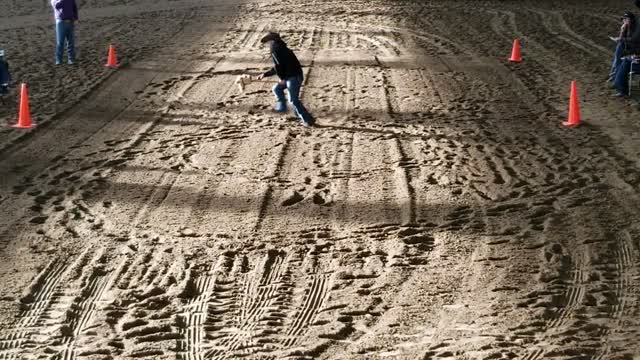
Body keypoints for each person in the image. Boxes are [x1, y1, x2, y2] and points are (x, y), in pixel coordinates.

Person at [257, 32, 314, 126]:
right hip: (293, 76)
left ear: (271, 41)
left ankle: (308, 120)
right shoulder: (281, 47)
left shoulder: (275, 49)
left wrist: (282, 78)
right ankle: (282, 108)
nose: (267, 45)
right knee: (277, 88)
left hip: (293, 77)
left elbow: (278, 66)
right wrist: (265, 74)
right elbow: (278, 66)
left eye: (267, 42)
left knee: (293, 100)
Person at [608, 11, 640, 82]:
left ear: (631, 19)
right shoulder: (627, 27)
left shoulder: (636, 28)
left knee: (619, 51)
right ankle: (614, 74)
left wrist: (620, 39)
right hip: (629, 47)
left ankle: (614, 74)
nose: (624, 21)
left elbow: (633, 40)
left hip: (635, 49)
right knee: (619, 49)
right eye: (623, 19)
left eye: (626, 19)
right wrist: (622, 31)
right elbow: (622, 39)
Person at [51, 0, 79, 65]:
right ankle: (58, 60)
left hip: (70, 22)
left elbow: (74, 7)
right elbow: (57, 6)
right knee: (60, 42)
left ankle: (71, 59)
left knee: (71, 41)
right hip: (60, 22)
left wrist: (76, 18)